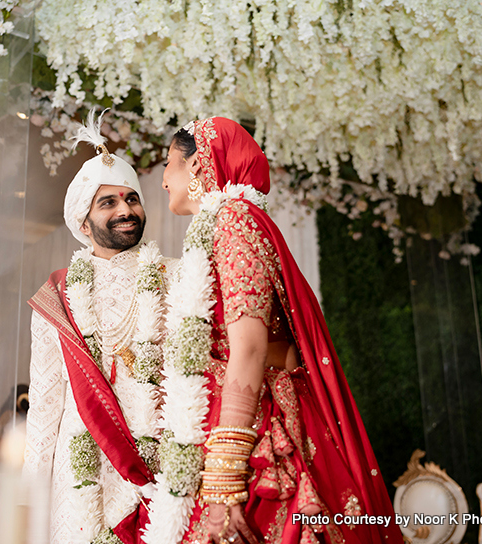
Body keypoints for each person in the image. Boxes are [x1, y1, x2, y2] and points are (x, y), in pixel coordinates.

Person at [145, 118, 403, 544]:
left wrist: (225, 476)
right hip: (227, 422)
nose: (162, 181)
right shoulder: (223, 225)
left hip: (259, 434)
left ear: (197, 166)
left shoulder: (233, 222)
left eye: (169, 164)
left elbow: (248, 347)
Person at [24, 110, 177, 544]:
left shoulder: (178, 277)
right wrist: (28, 501)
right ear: (82, 221)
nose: (125, 210)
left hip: (161, 459)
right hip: (82, 470)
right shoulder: (59, 295)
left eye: (131, 198)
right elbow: (46, 402)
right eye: (107, 203)